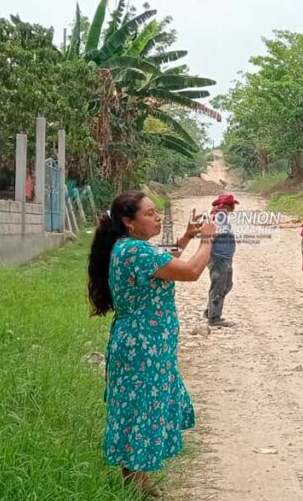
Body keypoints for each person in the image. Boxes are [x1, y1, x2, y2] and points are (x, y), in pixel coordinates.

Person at [86, 191, 217, 496]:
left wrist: (186, 237)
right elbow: (191, 272)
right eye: (149, 213)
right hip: (143, 347)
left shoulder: (129, 247)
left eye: (157, 212)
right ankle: (134, 484)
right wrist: (207, 240)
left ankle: (137, 481)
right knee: (140, 409)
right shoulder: (135, 250)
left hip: (142, 344)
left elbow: (163, 264)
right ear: (128, 222)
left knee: (138, 408)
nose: (157, 218)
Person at [204, 193, 238, 328]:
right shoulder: (219, 216)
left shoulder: (220, 215)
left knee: (226, 284)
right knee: (219, 285)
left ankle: (210, 310)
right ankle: (214, 317)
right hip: (219, 257)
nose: (233, 207)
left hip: (224, 257)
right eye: (232, 205)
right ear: (226, 205)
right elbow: (214, 233)